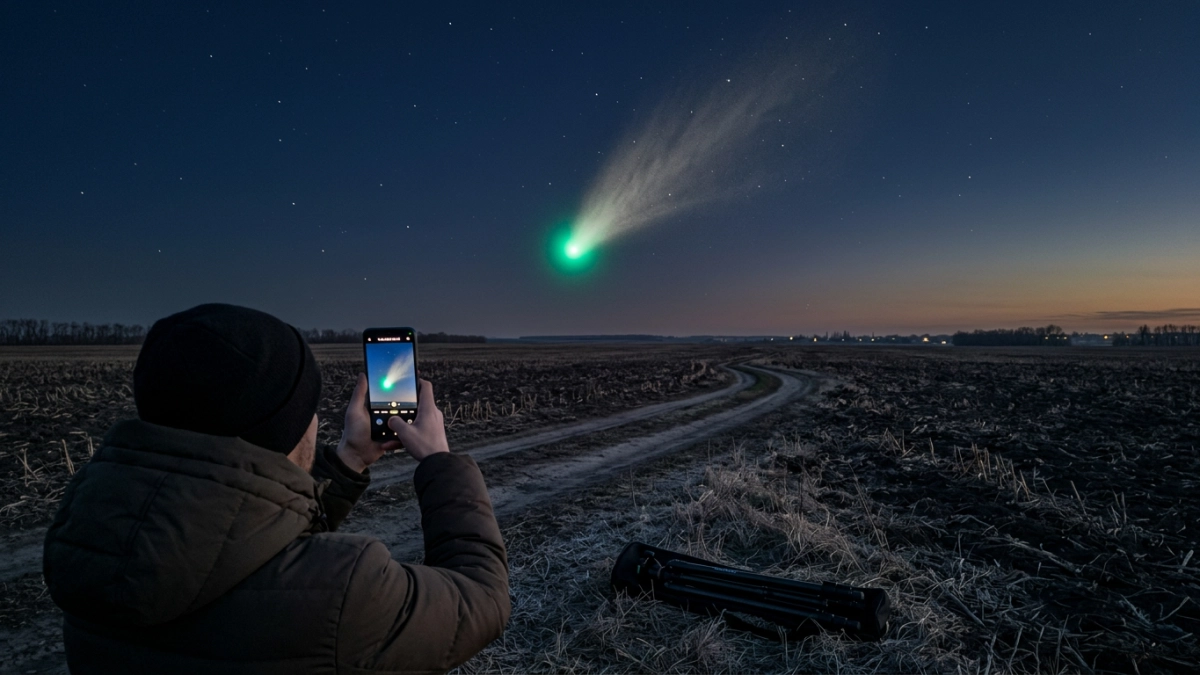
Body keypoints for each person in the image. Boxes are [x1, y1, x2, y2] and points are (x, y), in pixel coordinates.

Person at [42, 303, 510, 673]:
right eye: (307, 409)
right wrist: (440, 463)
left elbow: (240, 535)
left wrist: (348, 461)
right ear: (285, 427)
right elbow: (482, 600)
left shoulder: (90, 539)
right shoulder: (339, 593)